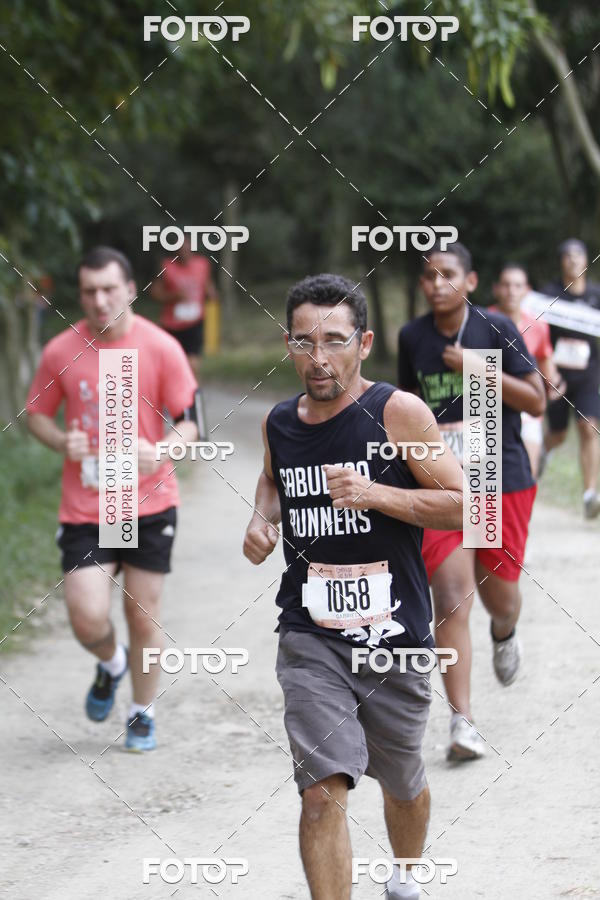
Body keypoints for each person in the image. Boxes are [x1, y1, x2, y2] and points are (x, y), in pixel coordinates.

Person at [243, 273, 464, 900]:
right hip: (310, 633)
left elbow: (464, 504)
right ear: (288, 345)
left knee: (403, 782)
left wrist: (376, 494)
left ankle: (406, 875)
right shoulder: (279, 423)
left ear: (363, 343)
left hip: (393, 635)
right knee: (320, 794)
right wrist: (261, 520)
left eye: (334, 341)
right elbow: (271, 479)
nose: (318, 358)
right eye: (303, 342)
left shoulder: (398, 412)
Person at [26, 246, 199, 752]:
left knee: (143, 615)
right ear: (80, 295)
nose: (100, 300)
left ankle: (142, 711)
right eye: (89, 291)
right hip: (88, 506)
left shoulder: (162, 347)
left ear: (130, 289)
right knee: (86, 616)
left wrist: (163, 449)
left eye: (108, 289)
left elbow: (190, 422)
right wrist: (61, 441)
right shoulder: (60, 350)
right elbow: (36, 413)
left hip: (148, 502)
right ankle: (111, 662)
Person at [398, 242, 546, 762]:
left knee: (499, 599)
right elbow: (404, 406)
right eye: (428, 276)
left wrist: (478, 369)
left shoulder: (496, 328)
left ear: (471, 281)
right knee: (451, 597)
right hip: (442, 481)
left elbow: (537, 399)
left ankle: (504, 632)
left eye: (448, 274)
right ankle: (462, 722)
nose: (437, 284)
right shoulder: (412, 336)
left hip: (498, 476)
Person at [541, 239, 600, 518]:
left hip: (588, 374)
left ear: (586, 261)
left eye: (578, 255)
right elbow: (536, 331)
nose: (573, 260)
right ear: (561, 262)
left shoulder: (596, 295)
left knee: (589, 427)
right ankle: (542, 453)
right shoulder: (549, 294)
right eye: (567, 256)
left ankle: (590, 495)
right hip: (557, 375)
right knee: (559, 434)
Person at [492, 263, 565, 478]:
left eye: (517, 286)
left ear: (527, 290)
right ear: (496, 289)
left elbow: (546, 362)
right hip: (487, 406)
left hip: (526, 407)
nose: (511, 291)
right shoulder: (481, 320)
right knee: (485, 478)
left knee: (527, 474)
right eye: (506, 285)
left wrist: (554, 383)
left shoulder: (539, 326)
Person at [151, 236, 217, 380]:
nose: (184, 253)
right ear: (175, 251)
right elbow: (154, 292)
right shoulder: (167, 266)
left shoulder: (202, 264)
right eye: (181, 250)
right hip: (172, 324)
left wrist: (211, 294)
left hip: (195, 321)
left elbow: (207, 285)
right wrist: (173, 297)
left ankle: (193, 391)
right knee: (172, 364)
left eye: (187, 249)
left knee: (193, 363)